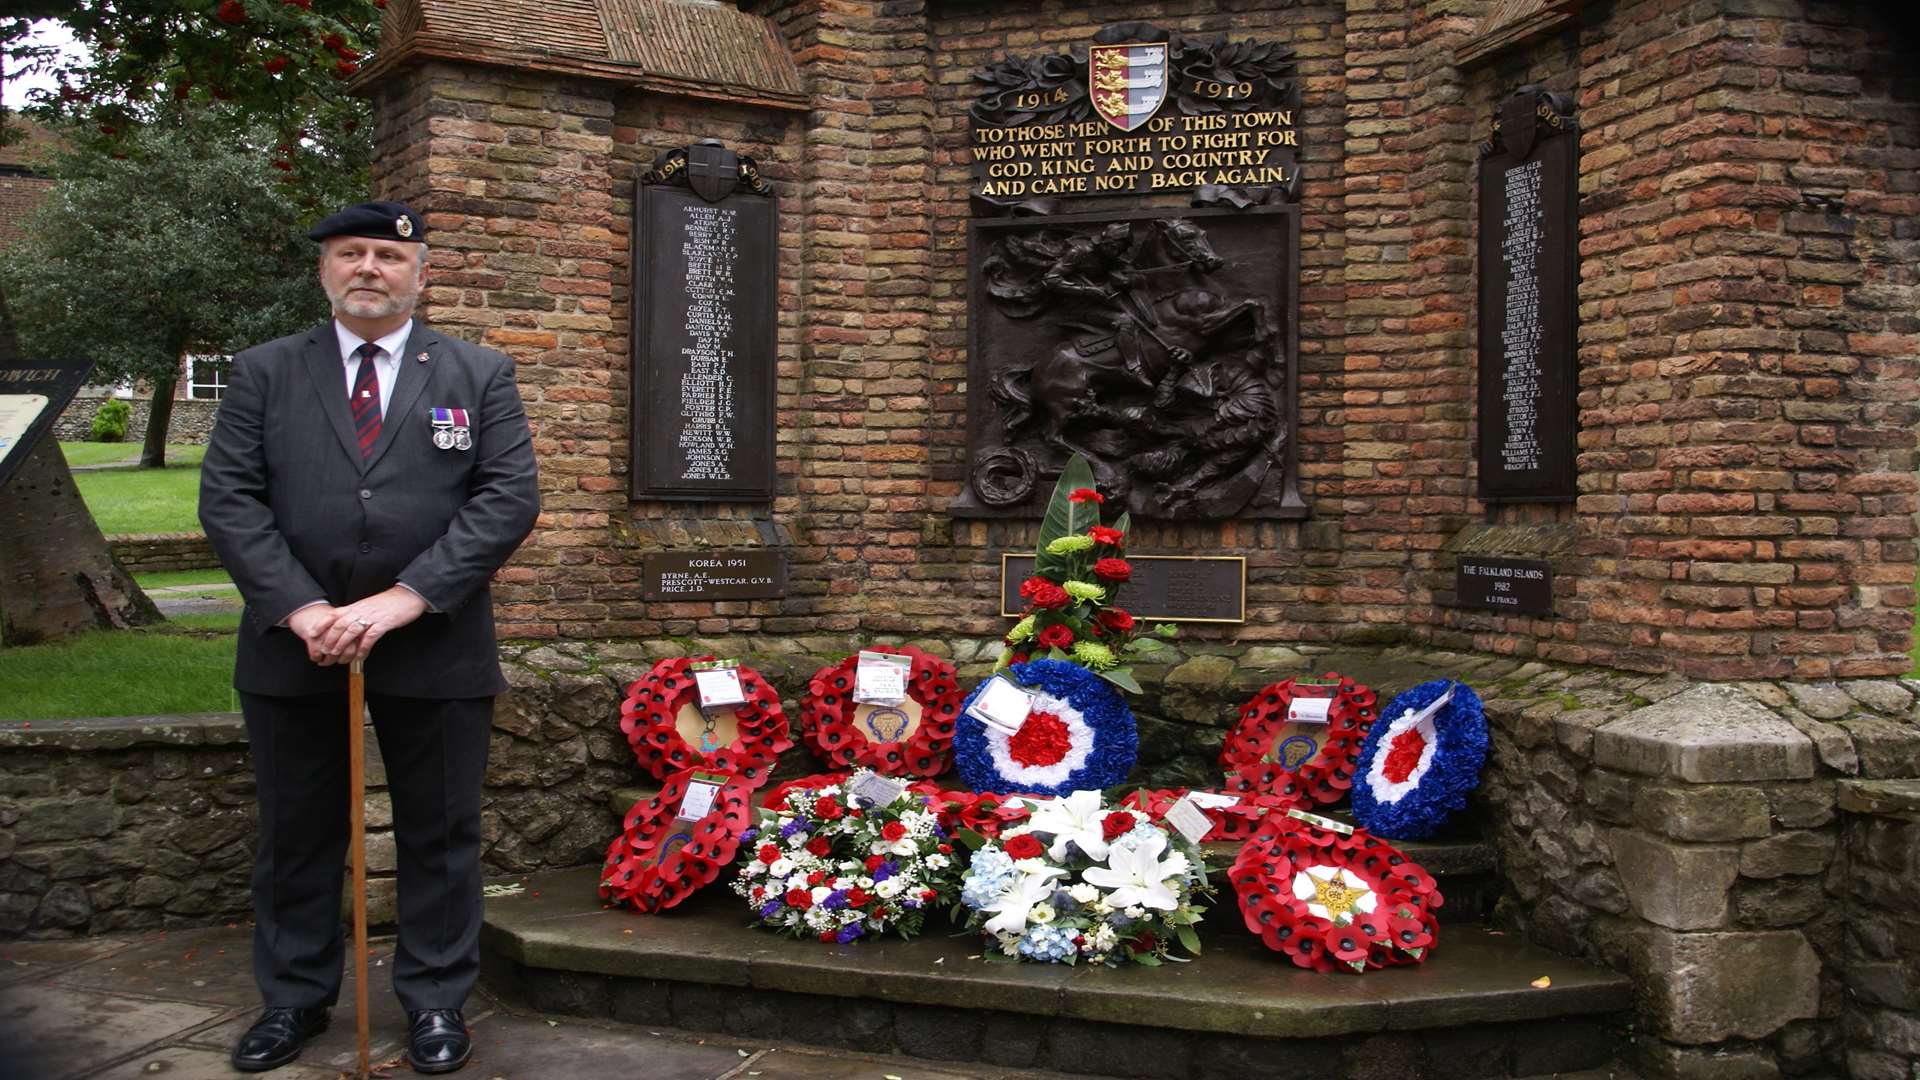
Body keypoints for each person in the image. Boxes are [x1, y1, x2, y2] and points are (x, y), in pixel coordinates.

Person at [199, 201, 540, 1074]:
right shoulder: (264, 372)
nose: (368, 269)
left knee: (439, 832)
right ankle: (293, 1000)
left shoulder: (477, 373)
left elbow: (506, 500)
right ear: (323, 270)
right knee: (297, 831)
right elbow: (230, 500)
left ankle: (433, 1001)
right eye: (350, 253)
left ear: (421, 273)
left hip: (435, 642)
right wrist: (305, 610)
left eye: (389, 255)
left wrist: (401, 601)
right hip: (292, 644)